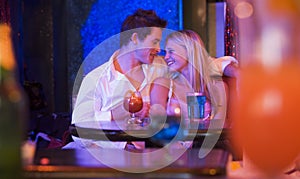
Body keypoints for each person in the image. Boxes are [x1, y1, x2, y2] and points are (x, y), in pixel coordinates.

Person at [65, 9, 168, 149]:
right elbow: (79, 132)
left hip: (155, 155)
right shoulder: (96, 79)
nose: (158, 49)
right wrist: (115, 114)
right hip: (111, 161)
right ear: (135, 38)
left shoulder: (160, 69)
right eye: (155, 42)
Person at [150, 30, 239, 121]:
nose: (166, 57)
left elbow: (220, 127)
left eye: (171, 51)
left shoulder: (218, 87)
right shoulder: (162, 85)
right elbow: (157, 126)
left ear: (189, 51)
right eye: (166, 53)